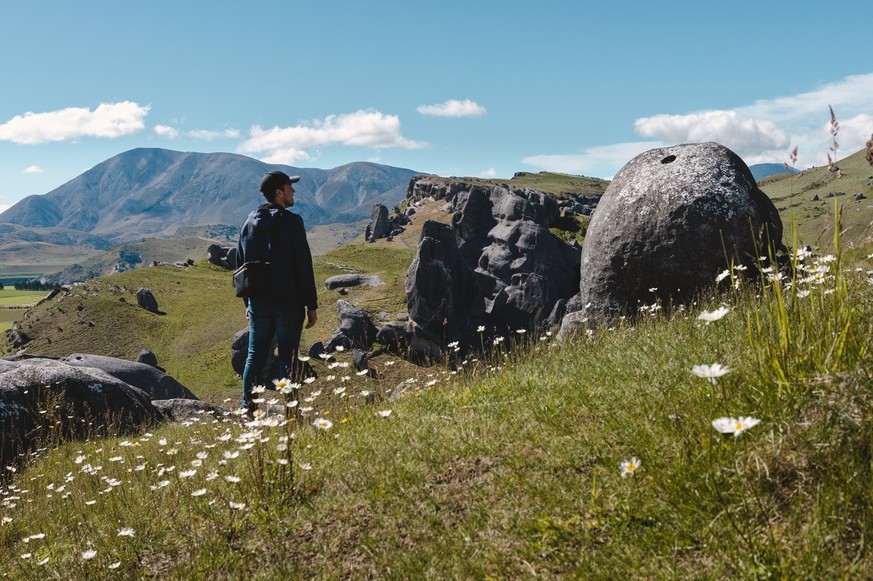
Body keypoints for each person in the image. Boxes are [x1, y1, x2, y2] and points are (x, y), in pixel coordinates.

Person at [237, 170, 318, 414]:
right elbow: (304, 265)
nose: (293, 191)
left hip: (259, 304)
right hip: (289, 304)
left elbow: (242, 267)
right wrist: (311, 305)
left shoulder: (249, 222)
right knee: (288, 359)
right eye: (289, 187)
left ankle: (248, 410)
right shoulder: (292, 222)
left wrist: (248, 306)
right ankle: (291, 411)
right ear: (278, 193)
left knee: (255, 357)